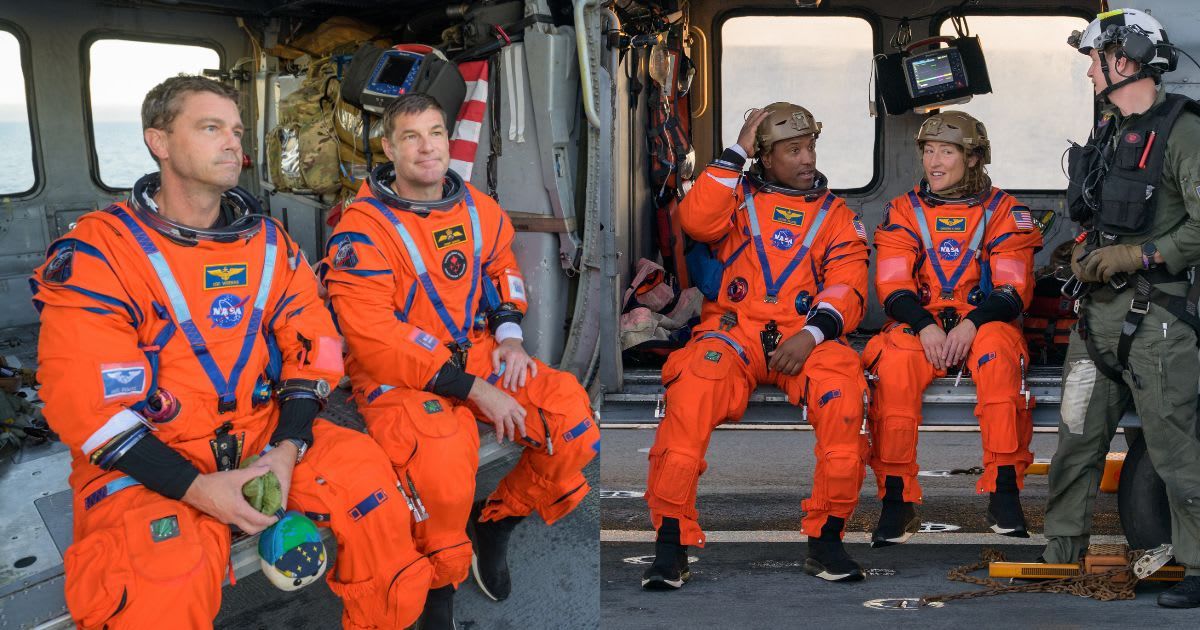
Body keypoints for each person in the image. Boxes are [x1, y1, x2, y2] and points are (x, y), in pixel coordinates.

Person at [31, 76, 432, 629]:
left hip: (264, 433)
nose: (232, 143)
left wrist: (288, 447)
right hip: (156, 451)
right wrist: (197, 489)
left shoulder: (270, 245)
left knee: (375, 492)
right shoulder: (102, 253)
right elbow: (86, 406)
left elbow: (315, 351)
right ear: (158, 141)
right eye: (210, 127)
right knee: (160, 581)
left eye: (237, 131)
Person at [322, 93, 600, 627]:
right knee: (441, 466)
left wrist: (510, 335)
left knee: (569, 418)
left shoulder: (476, 208)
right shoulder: (363, 230)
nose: (427, 147)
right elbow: (374, 336)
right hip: (398, 373)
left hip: (479, 353)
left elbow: (502, 270)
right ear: (389, 148)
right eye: (411, 137)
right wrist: (473, 389)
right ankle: (439, 584)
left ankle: (496, 522)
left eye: (435, 133)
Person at [640, 102, 872, 588]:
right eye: (793, 150)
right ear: (765, 157)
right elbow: (695, 221)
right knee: (692, 392)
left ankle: (827, 540)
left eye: (810, 147)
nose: (807, 159)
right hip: (733, 331)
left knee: (844, 398)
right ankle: (670, 545)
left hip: (806, 335)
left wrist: (811, 334)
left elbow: (847, 287)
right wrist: (735, 153)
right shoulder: (733, 197)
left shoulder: (837, 217)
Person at [1046, 8, 1200, 608]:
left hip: (1157, 322)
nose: (1089, 72)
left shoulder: (1184, 133)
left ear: (1125, 60)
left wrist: (1138, 255)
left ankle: (1198, 566)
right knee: (1075, 442)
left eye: (1094, 59)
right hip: (1096, 320)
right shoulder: (1110, 132)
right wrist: (1085, 252)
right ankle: (1061, 554)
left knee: (1174, 451)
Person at [865, 110, 1042, 546]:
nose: (934, 162)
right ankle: (896, 501)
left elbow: (1013, 289)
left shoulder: (1005, 212)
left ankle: (1004, 492)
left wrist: (971, 324)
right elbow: (892, 286)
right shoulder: (903, 211)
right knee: (893, 367)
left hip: (984, 323)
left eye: (946, 151)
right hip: (920, 324)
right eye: (928, 151)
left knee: (999, 357)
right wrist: (925, 325)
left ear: (974, 157)